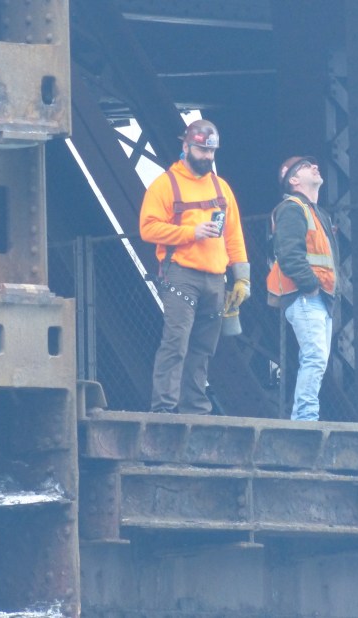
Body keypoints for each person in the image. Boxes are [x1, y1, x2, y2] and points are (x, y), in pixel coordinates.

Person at [140, 119, 250, 414]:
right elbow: (148, 228)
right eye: (202, 151)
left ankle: (195, 410)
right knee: (176, 342)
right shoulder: (165, 185)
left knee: (203, 347)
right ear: (186, 147)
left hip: (216, 278)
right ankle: (164, 408)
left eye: (211, 152)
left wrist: (242, 278)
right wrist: (191, 233)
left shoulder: (221, 187)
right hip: (181, 274)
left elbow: (234, 235)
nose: (207, 157)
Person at [266, 155, 339, 421]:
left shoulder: (315, 213)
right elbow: (288, 254)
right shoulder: (292, 209)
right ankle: (306, 419)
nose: (315, 167)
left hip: (318, 297)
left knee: (316, 358)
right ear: (294, 180)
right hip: (307, 296)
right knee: (315, 357)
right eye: (307, 166)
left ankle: (304, 417)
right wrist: (310, 286)